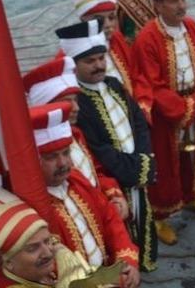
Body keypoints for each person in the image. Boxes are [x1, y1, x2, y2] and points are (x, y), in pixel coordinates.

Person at [55, 19, 158, 271]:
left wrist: (143, 159)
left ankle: (142, 261)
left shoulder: (114, 84)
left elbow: (138, 121)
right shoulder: (79, 104)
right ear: (75, 65)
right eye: (90, 61)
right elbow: (98, 149)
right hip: (115, 176)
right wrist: (132, 170)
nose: (99, 65)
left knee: (142, 215)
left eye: (101, 58)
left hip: (137, 166)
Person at [132, 0, 195, 244]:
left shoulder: (192, 28)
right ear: (158, 5)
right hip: (166, 116)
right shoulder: (147, 39)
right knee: (166, 165)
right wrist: (186, 108)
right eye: (174, 1)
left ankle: (192, 196)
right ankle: (160, 216)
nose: (181, 6)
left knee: (194, 158)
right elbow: (152, 84)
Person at [30, 102, 141, 286]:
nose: (63, 163)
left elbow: (109, 218)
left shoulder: (76, 179)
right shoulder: (30, 202)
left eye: (66, 153)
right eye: (51, 157)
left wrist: (126, 261)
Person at [23, 56, 128, 220]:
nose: (76, 108)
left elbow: (96, 172)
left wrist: (114, 194)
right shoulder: (35, 147)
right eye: (66, 103)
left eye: (75, 100)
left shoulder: (77, 135)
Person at [0, 183, 106, 288]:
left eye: (47, 241)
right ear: (8, 262)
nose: (48, 252)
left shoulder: (33, 271)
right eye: (32, 248)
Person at [66, 0, 135, 94]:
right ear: (83, 20)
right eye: (99, 19)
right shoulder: (69, 55)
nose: (108, 25)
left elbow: (136, 75)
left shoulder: (116, 38)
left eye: (111, 18)